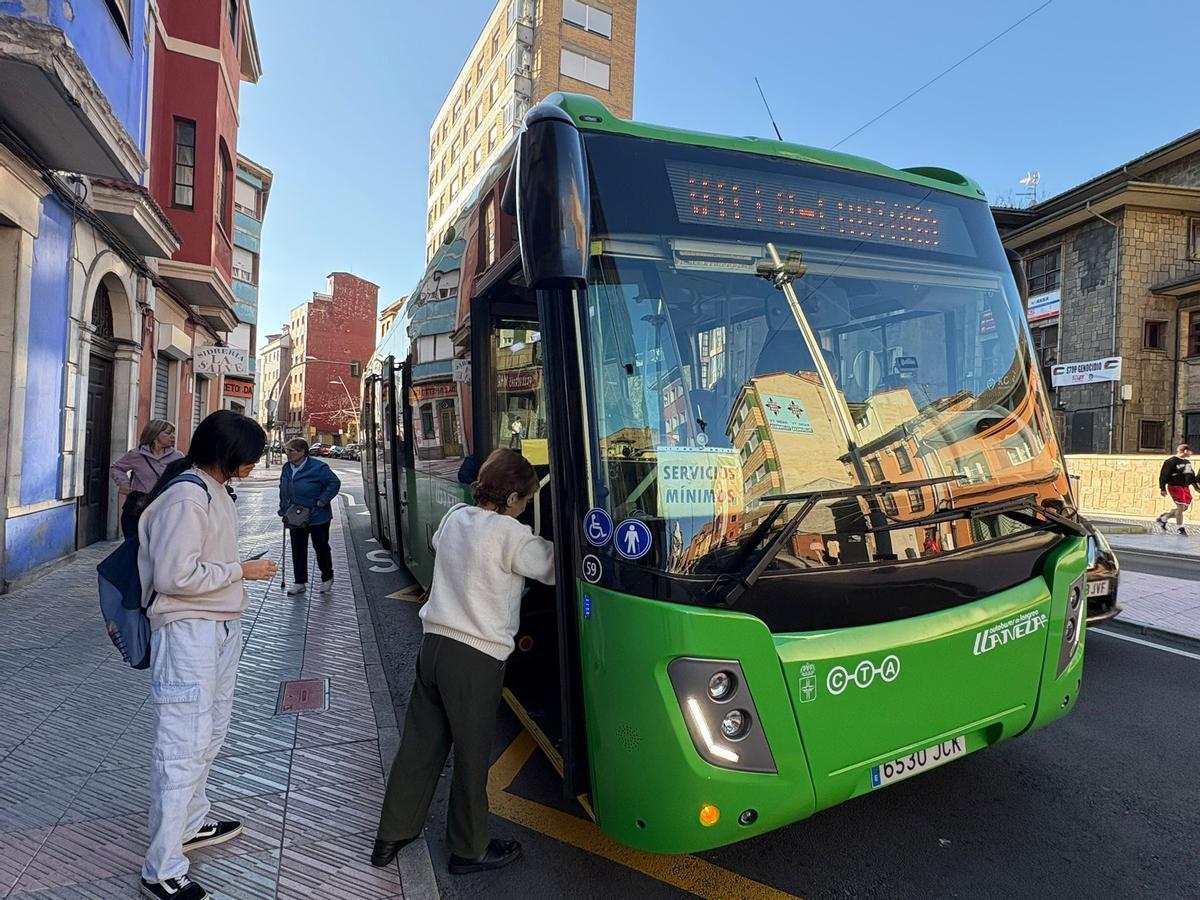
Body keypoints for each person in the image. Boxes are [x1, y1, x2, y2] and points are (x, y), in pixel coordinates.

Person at [372, 448, 553, 874]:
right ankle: (468, 849)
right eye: (525, 500)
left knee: (419, 745)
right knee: (471, 758)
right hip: (474, 658)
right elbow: (550, 567)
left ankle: (392, 834)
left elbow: (440, 544)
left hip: (433, 645)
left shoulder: (455, 517)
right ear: (511, 500)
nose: (525, 508)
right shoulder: (510, 534)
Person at [138, 410, 275, 900]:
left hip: (216, 627)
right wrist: (242, 571)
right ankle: (161, 868)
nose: (254, 465)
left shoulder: (212, 490)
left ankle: (191, 823)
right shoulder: (186, 496)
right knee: (182, 744)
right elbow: (177, 577)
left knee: (210, 732)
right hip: (188, 632)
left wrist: (233, 572)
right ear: (226, 452)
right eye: (250, 457)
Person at [278, 438, 342, 596]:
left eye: (291, 450)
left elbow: (334, 483)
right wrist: (283, 510)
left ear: (302, 452)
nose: (288, 454)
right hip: (295, 515)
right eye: (287, 450)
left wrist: (322, 500)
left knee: (320, 547)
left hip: (317, 515)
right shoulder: (287, 468)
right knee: (297, 548)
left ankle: (327, 577)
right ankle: (300, 582)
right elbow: (283, 489)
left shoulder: (318, 467)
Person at [110, 420, 184, 538]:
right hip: (139, 506)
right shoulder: (136, 455)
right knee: (135, 544)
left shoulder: (178, 457)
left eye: (173, 433)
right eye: (168, 433)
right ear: (155, 435)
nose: (173, 436)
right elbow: (116, 468)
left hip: (166, 506)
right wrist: (124, 483)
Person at [1156, 443, 1196, 535]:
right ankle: (1180, 528)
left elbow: (1191, 475)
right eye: (1190, 451)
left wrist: (1196, 486)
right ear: (1185, 451)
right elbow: (1163, 476)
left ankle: (1163, 518)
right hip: (1174, 486)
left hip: (1184, 487)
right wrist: (1162, 488)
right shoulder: (1170, 462)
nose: (1191, 453)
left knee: (1184, 508)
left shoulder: (1187, 462)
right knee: (1180, 506)